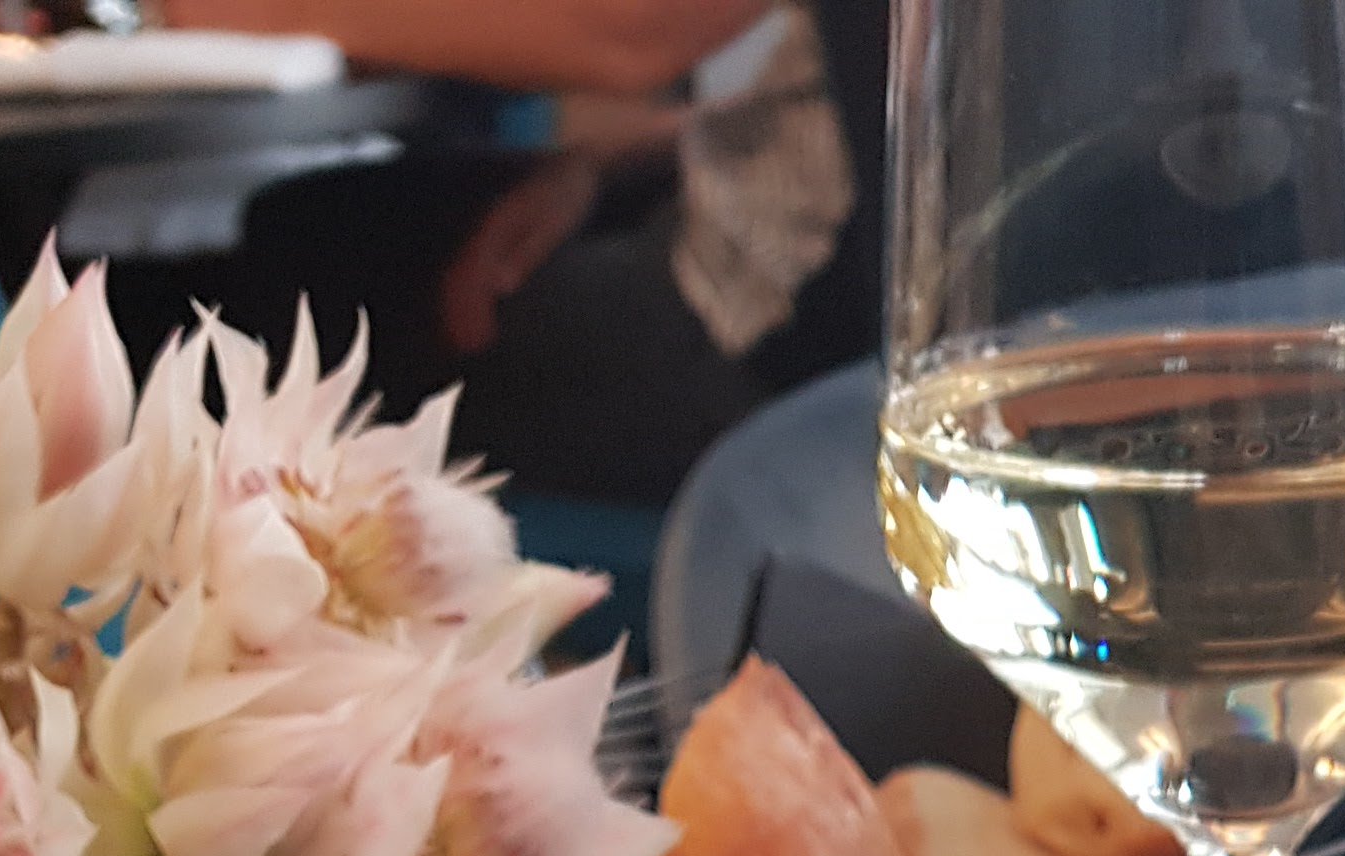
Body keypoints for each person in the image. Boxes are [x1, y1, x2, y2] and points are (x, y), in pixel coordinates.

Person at [120, 0, 889, 513]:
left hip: (781, 342)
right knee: (308, 219)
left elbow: (635, 27)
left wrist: (208, 11)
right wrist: (598, 166)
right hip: (759, 225)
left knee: (257, 306)